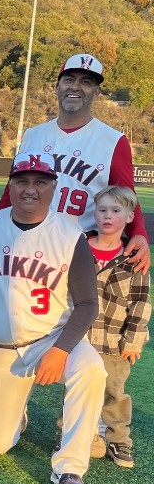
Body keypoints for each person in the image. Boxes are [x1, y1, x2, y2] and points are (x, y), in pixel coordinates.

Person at [0, 152, 101, 484]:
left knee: (91, 370)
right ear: (10, 185)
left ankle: (70, 468)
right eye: (22, 181)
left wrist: (61, 350)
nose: (31, 189)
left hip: (51, 337)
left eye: (40, 181)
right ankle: (17, 415)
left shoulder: (70, 235)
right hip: (0, 347)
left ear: (53, 188)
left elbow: (88, 304)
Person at [0, 53, 150, 273]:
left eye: (86, 82)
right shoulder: (33, 135)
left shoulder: (113, 141)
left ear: (96, 92)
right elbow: (10, 192)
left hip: (80, 249)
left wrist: (139, 233)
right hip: (26, 244)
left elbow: (127, 196)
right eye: (69, 79)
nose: (76, 87)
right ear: (57, 86)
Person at [84, 186, 150, 468]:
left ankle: (118, 439)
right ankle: (71, 433)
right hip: (80, 338)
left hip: (114, 341)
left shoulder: (133, 257)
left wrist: (133, 340)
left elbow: (141, 302)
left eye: (115, 210)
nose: (107, 216)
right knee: (77, 390)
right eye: (102, 210)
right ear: (95, 213)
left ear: (129, 216)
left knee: (114, 393)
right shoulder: (79, 247)